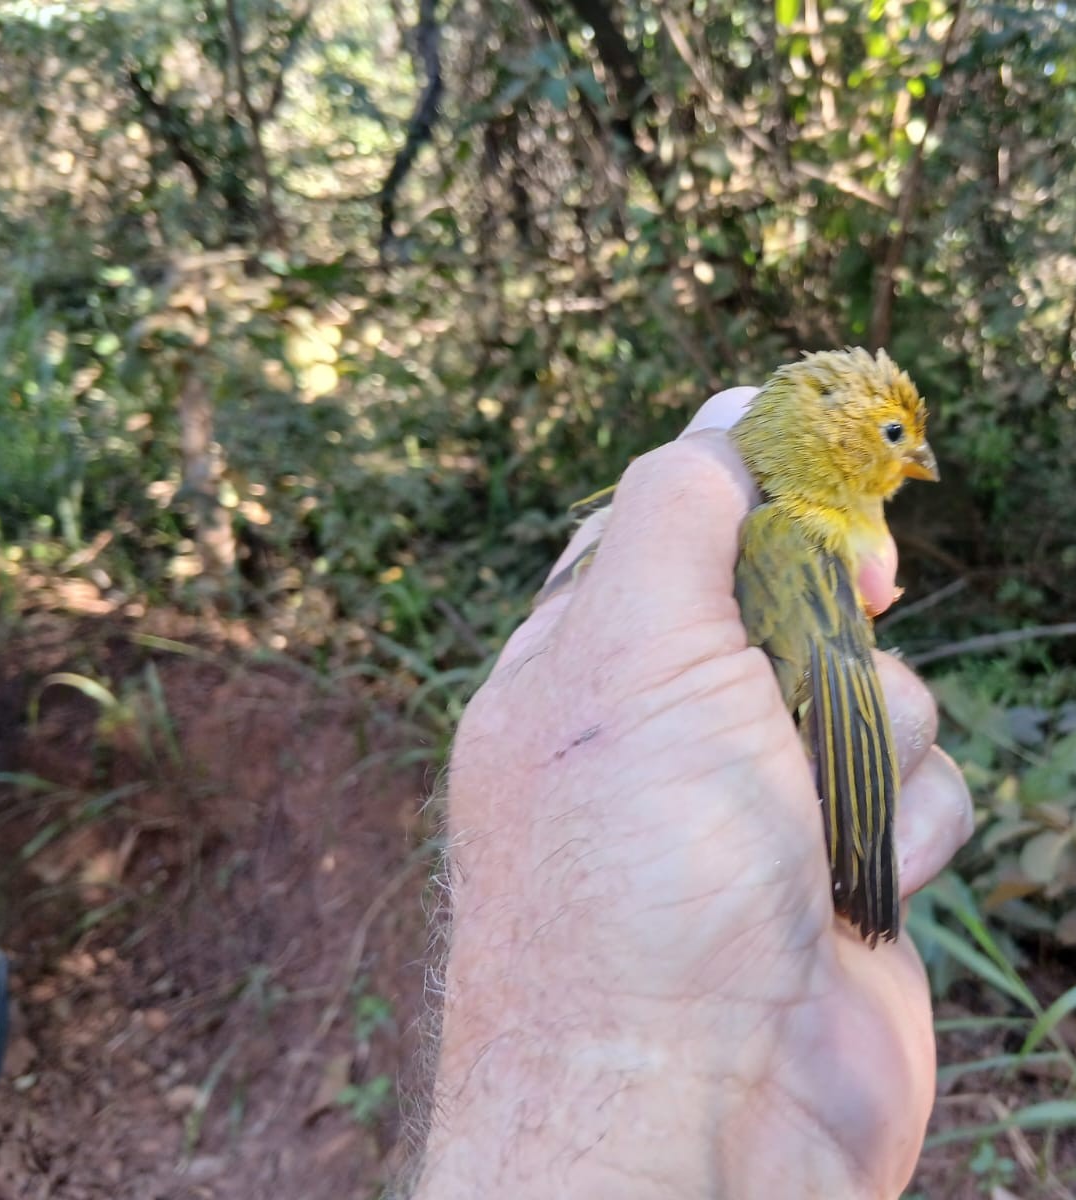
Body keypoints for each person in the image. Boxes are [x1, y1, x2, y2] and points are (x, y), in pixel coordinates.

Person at [413, 387, 974, 1198]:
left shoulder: (798, 530)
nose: (916, 454)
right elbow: (833, 699)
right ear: (838, 442)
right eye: (895, 435)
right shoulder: (790, 529)